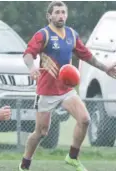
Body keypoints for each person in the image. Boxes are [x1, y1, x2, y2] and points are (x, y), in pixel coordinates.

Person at [18, 1, 116, 171]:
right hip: (46, 91)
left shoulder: (71, 34)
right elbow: (28, 54)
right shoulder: (43, 35)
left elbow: (86, 55)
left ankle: (72, 157)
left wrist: (105, 68)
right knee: (41, 132)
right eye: (56, 12)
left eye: (63, 12)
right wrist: (32, 67)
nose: (60, 15)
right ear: (49, 16)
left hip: (66, 90)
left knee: (85, 119)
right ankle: (24, 164)